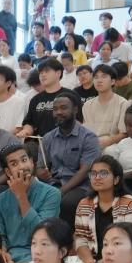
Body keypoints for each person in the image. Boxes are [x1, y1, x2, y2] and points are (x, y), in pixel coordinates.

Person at [71, 156, 132, 263]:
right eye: (93, 173)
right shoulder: (84, 204)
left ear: (116, 179)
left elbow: (124, 242)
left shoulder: (129, 203)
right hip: (89, 262)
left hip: (119, 260)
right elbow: (81, 240)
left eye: (103, 173)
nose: (97, 177)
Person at [39, 93, 102, 224]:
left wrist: (60, 191)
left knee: (66, 203)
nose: (58, 112)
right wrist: (40, 173)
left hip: (80, 185)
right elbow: (39, 166)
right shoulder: (48, 138)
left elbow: (84, 171)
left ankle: (64, 235)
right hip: (53, 183)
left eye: (63, 108)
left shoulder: (89, 138)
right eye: (55, 109)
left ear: (75, 110)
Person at [20, 58, 75, 138]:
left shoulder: (71, 96)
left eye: (47, 71)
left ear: (58, 73)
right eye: (41, 72)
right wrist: (26, 131)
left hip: (66, 140)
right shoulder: (35, 99)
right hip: (41, 141)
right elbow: (29, 123)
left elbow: (78, 122)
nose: (43, 75)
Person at [83, 64, 128, 148]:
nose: (99, 80)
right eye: (96, 77)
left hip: (115, 147)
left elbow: (124, 133)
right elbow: (88, 132)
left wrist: (110, 140)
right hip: (93, 147)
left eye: (104, 77)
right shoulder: (87, 105)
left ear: (112, 81)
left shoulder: (123, 103)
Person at [0, 66, 28, 135]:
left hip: (12, 140)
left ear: (8, 83)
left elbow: (19, 127)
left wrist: (1, 139)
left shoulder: (19, 102)